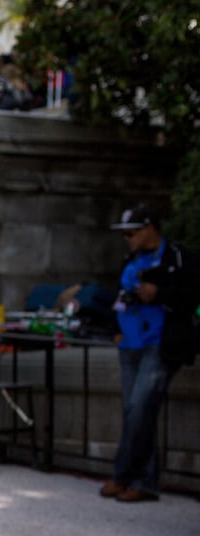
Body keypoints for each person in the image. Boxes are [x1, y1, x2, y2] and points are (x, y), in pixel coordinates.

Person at [100, 205, 199, 503]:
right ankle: (143, 481)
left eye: (132, 232)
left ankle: (123, 475)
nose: (128, 238)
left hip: (160, 344)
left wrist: (160, 294)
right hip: (130, 344)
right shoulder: (130, 259)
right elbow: (118, 296)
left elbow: (192, 298)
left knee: (141, 409)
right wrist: (113, 329)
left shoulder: (179, 258)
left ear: (151, 228)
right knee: (136, 412)